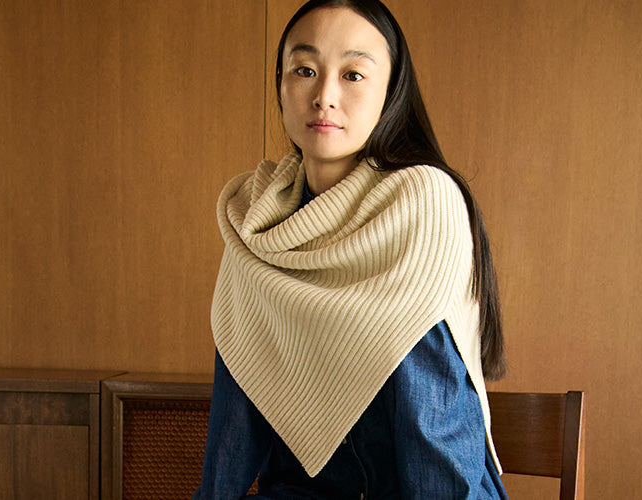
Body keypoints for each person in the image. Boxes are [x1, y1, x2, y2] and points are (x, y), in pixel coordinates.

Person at [194, 0, 508, 498]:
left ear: (391, 92)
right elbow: (237, 397)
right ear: (280, 86)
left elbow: (435, 409)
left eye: (354, 74)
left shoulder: (423, 200)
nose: (324, 96)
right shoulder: (253, 216)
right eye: (304, 70)